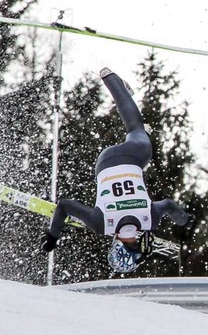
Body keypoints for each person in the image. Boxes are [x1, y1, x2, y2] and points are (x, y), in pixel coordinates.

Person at [41, 67, 191, 273]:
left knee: (136, 129)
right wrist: (52, 238)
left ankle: (112, 80)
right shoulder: (100, 224)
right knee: (134, 136)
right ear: (115, 244)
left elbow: (169, 205)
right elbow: (64, 206)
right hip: (104, 162)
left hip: (134, 156)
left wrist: (184, 220)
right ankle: (111, 81)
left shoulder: (150, 218)